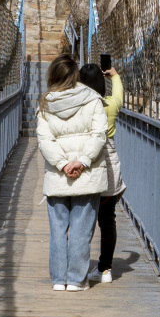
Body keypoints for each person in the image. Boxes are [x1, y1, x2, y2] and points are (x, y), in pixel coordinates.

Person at [37, 53, 111, 291]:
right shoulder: (93, 99)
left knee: (58, 230)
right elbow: (99, 134)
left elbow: (44, 139)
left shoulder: (45, 103)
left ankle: (59, 280)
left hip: (59, 178)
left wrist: (62, 164)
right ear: (76, 75)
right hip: (87, 175)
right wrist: (83, 161)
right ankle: (77, 280)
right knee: (81, 227)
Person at [79, 58, 126, 283]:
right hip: (109, 166)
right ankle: (105, 269)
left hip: (86, 164)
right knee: (107, 219)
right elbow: (118, 95)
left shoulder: (78, 108)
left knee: (82, 217)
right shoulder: (110, 106)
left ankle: (77, 268)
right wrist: (114, 76)